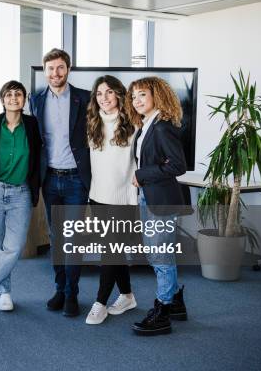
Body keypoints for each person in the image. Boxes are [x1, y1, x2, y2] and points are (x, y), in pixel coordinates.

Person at [125, 76, 189, 336]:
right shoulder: (145, 125)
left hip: (161, 200)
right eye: (133, 96)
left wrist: (142, 175)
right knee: (158, 254)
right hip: (148, 197)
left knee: (160, 256)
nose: (136, 100)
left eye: (142, 95)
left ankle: (162, 311)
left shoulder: (162, 126)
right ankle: (176, 302)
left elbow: (177, 166)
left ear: (157, 96)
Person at [29, 48, 91, 317]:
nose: (55, 73)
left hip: (77, 178)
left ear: (68, 69)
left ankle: (71, 294)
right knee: (56, 239)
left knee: (73, 238)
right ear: (45, 71)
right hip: (50, 179)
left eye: (60, 68)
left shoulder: (85, 99)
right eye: (51, 69)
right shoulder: (35, 99)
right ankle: (59, 287)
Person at [0, 81, 42, 311]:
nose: (14, 98)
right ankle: (4, 292)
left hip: (21, 192)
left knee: (14, 245)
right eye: (9, 94)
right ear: (2, 99)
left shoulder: (33, 125)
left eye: (18, 94)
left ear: (24, 99)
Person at [84, 75, 138, 325]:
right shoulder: (92, 123)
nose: (104, 98)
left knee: (110, 252)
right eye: (99, 94)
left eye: (108, 92)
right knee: (114, 252)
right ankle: (127, 296)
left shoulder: (134, 124)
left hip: (123, 198)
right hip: (98, 197)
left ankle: (100, 303)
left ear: (118, 94)